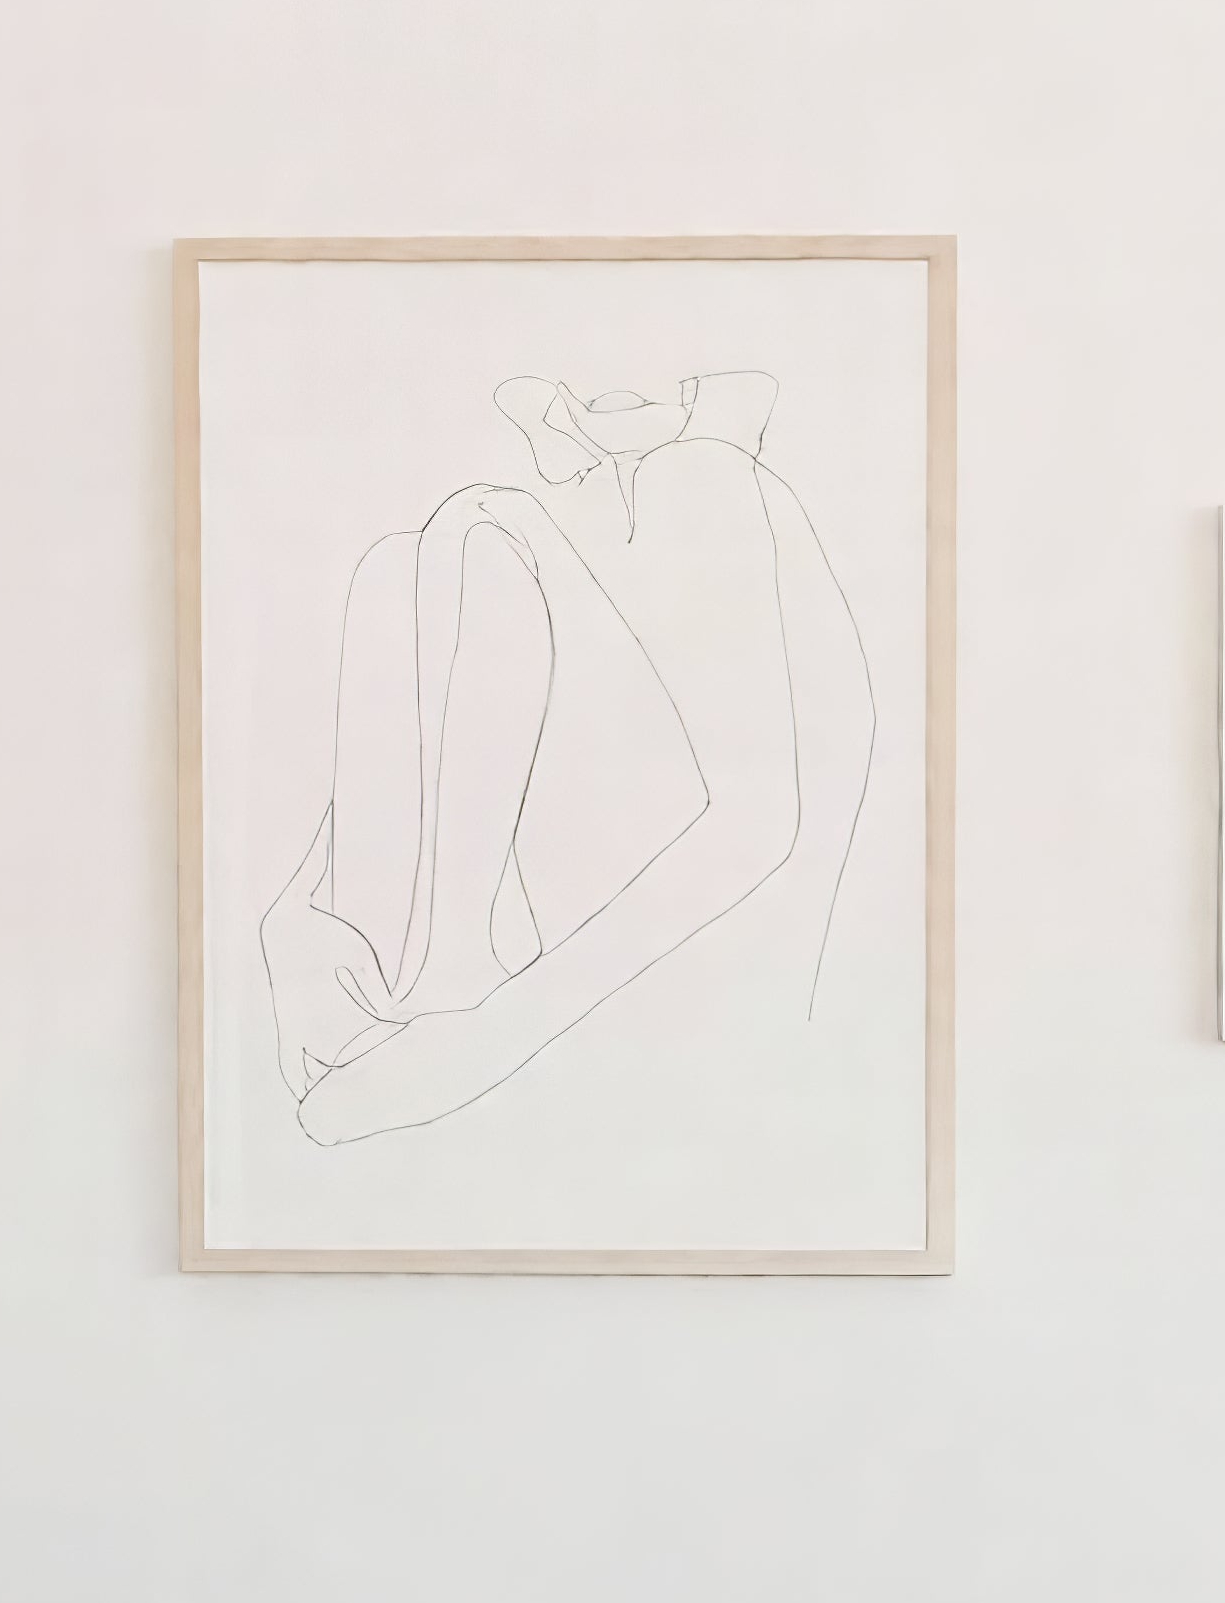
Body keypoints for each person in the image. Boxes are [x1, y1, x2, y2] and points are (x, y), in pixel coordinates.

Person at [260, 366, 873, 1145]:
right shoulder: (610, 522)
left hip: (695, 982)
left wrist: (479, 1046)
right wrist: (294, 922)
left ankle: (448, 973)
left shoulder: (703, 479)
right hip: (569, 937)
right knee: (414, 551)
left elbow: (757, 822)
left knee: (477, 525)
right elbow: (437, 718)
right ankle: (425, 970)